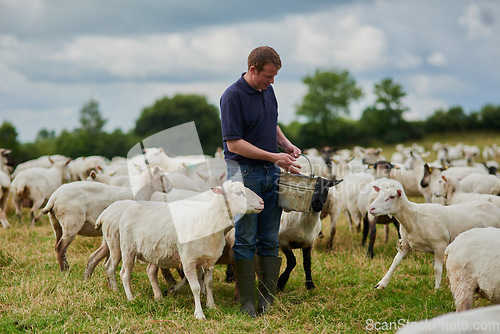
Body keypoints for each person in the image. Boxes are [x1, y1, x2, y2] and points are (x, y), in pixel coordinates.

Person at [219, 46, 301, 317]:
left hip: (271, 172)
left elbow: (271, 124)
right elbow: (235, 143)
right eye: (268, 76)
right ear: (252, 69)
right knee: (244, 238)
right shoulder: (232, 97)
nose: (272, 81)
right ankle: (247, 302)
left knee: (269, 238)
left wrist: (286, 145)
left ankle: (267, 298)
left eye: (275, 76)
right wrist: (273, 157)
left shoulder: (267, 91)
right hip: (244, 174)